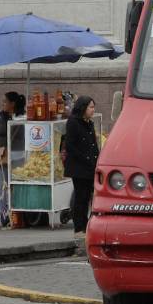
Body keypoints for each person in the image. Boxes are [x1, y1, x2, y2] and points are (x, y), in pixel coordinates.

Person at [63, 96, 99, 239]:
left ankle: (88, 225)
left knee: (90, 197)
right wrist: (86, 159)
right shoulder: (73, 122)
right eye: (90, 107)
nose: (92, 110)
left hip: (91, 166)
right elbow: (70, 146)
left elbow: (92, 144)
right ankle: (79, 227)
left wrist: (97, 158)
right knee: (81, 197)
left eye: (93, 107)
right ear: (83, 108)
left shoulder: (89, 123)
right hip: (79, 167)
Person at [0, 92, 26, 229]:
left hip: (19, 158)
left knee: (16, 187)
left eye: (5, 101)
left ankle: (18, 216)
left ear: (13, 104)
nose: (2, 104)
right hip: (3, 158)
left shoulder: (22, 117)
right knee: (2, 188)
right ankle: (4, 217)